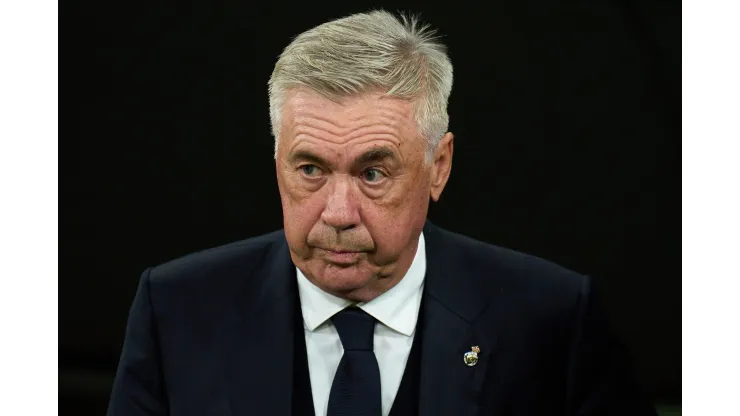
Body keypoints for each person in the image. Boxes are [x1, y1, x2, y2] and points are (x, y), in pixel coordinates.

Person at [107, 10, 657, 416]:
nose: (339, 213)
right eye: (310, 170)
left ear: (437, 166)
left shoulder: (551, 319)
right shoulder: (177, 310)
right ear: (277, 164)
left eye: (373, 173)